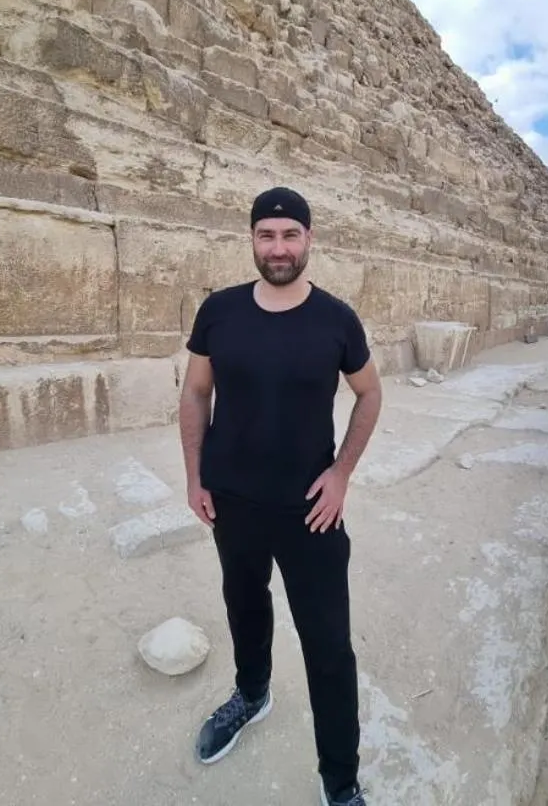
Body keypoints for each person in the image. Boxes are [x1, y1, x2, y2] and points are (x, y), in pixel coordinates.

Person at [180, 187, 380, 806]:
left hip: (310, 513)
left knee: (327, 648)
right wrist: (194, 476)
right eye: (267, 235)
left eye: (290, 235)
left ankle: (340, 785)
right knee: (244, 606)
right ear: (252, 240)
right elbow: (195, 395)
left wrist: (343, 473)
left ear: (310, 239)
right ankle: (252, 694)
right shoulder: (220, 311)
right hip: (231, 503)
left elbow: (370, 395)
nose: (279, 248)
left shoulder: (337, 320)